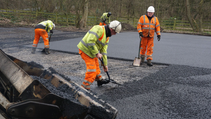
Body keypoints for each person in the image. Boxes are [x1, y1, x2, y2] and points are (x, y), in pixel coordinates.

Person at [77, 20, 121, 90]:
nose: (115, 34)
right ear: (111, 29)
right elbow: (90, 41)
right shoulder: (98, 29)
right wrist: (97, 53)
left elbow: (104, 51)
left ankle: (99, 80)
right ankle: (85, 87)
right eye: (115, 32)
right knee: (92, 70)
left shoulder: (107, 37)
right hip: (85, 50)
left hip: (92, 51)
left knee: (96, 65)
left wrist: (105, 65)